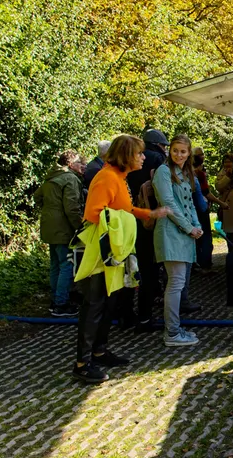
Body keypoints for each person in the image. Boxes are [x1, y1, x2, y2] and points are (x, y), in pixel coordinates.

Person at [72, 135, 170, 383]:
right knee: (94, 305)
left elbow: (123, 210)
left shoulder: (118, 178)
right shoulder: (106, 178)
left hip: (113, 253)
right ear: (127, 156)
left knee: (108, 303)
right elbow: (94, 214)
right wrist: (127, 221)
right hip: (100, 253)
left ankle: (100, 351)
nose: (144, 157)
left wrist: (150, 213)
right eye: (139, 154)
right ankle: (82, 364)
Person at [153, 134, 203, 347]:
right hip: (170, 233)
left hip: (183, 234)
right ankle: (172, 333)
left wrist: (197, 225)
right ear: (169, 150)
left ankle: (175, 328)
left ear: (189, 153)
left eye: (183, 151)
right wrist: (189, 227)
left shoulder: (184, 173)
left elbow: (189, 203)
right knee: (175, 283)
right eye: (175, 151)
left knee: (179, 283)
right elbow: (169, 204)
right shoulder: (163, 172)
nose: (179, 155)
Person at [127, 128, 170, 332]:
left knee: (134, 269)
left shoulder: (129, 160)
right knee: (152, 270)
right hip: (153, 218)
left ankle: (127, 315)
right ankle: (146, 317)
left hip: (131, 219)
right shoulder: (157, 159)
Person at [34, 149, 84, 317]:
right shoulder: (69, 179)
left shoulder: (51, 177)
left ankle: (55, 299)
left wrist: (50, 209)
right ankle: (61, 304)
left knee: (55, 264)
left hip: (49, 226)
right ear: (71, 164)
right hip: (63, 228)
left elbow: (37, 197)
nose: (83, 166)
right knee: (66, 265)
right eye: (80, 163)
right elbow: (72, 207)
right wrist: (80, 226)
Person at [192, 147, 222, 271]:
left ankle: (197, 263)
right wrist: (221, 203)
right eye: (200, 155)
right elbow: (205, 193)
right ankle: (205, 264)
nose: (202, 156)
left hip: (191, 210)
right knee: (205, 236)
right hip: (200, 209)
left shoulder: (186, 172)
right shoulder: (199, 174)